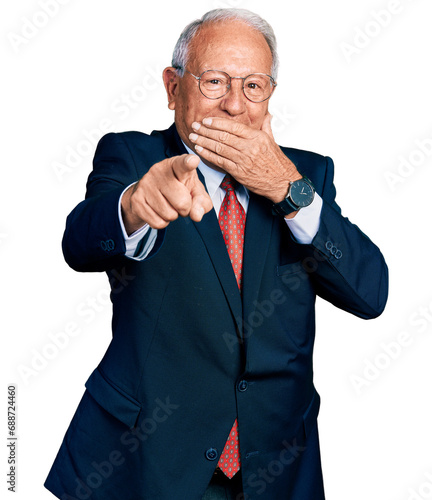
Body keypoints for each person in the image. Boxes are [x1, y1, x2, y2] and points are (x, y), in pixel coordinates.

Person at [45, 8, 388, 500]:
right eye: (214, 81)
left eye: (253, 85)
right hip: (147, 465)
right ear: (172, 88)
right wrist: (136, 205)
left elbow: (370, 293)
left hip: (276, 470)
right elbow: (79, 242)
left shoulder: (305, 174)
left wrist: (287, 189)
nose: (233, 105)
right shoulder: (133, 157)